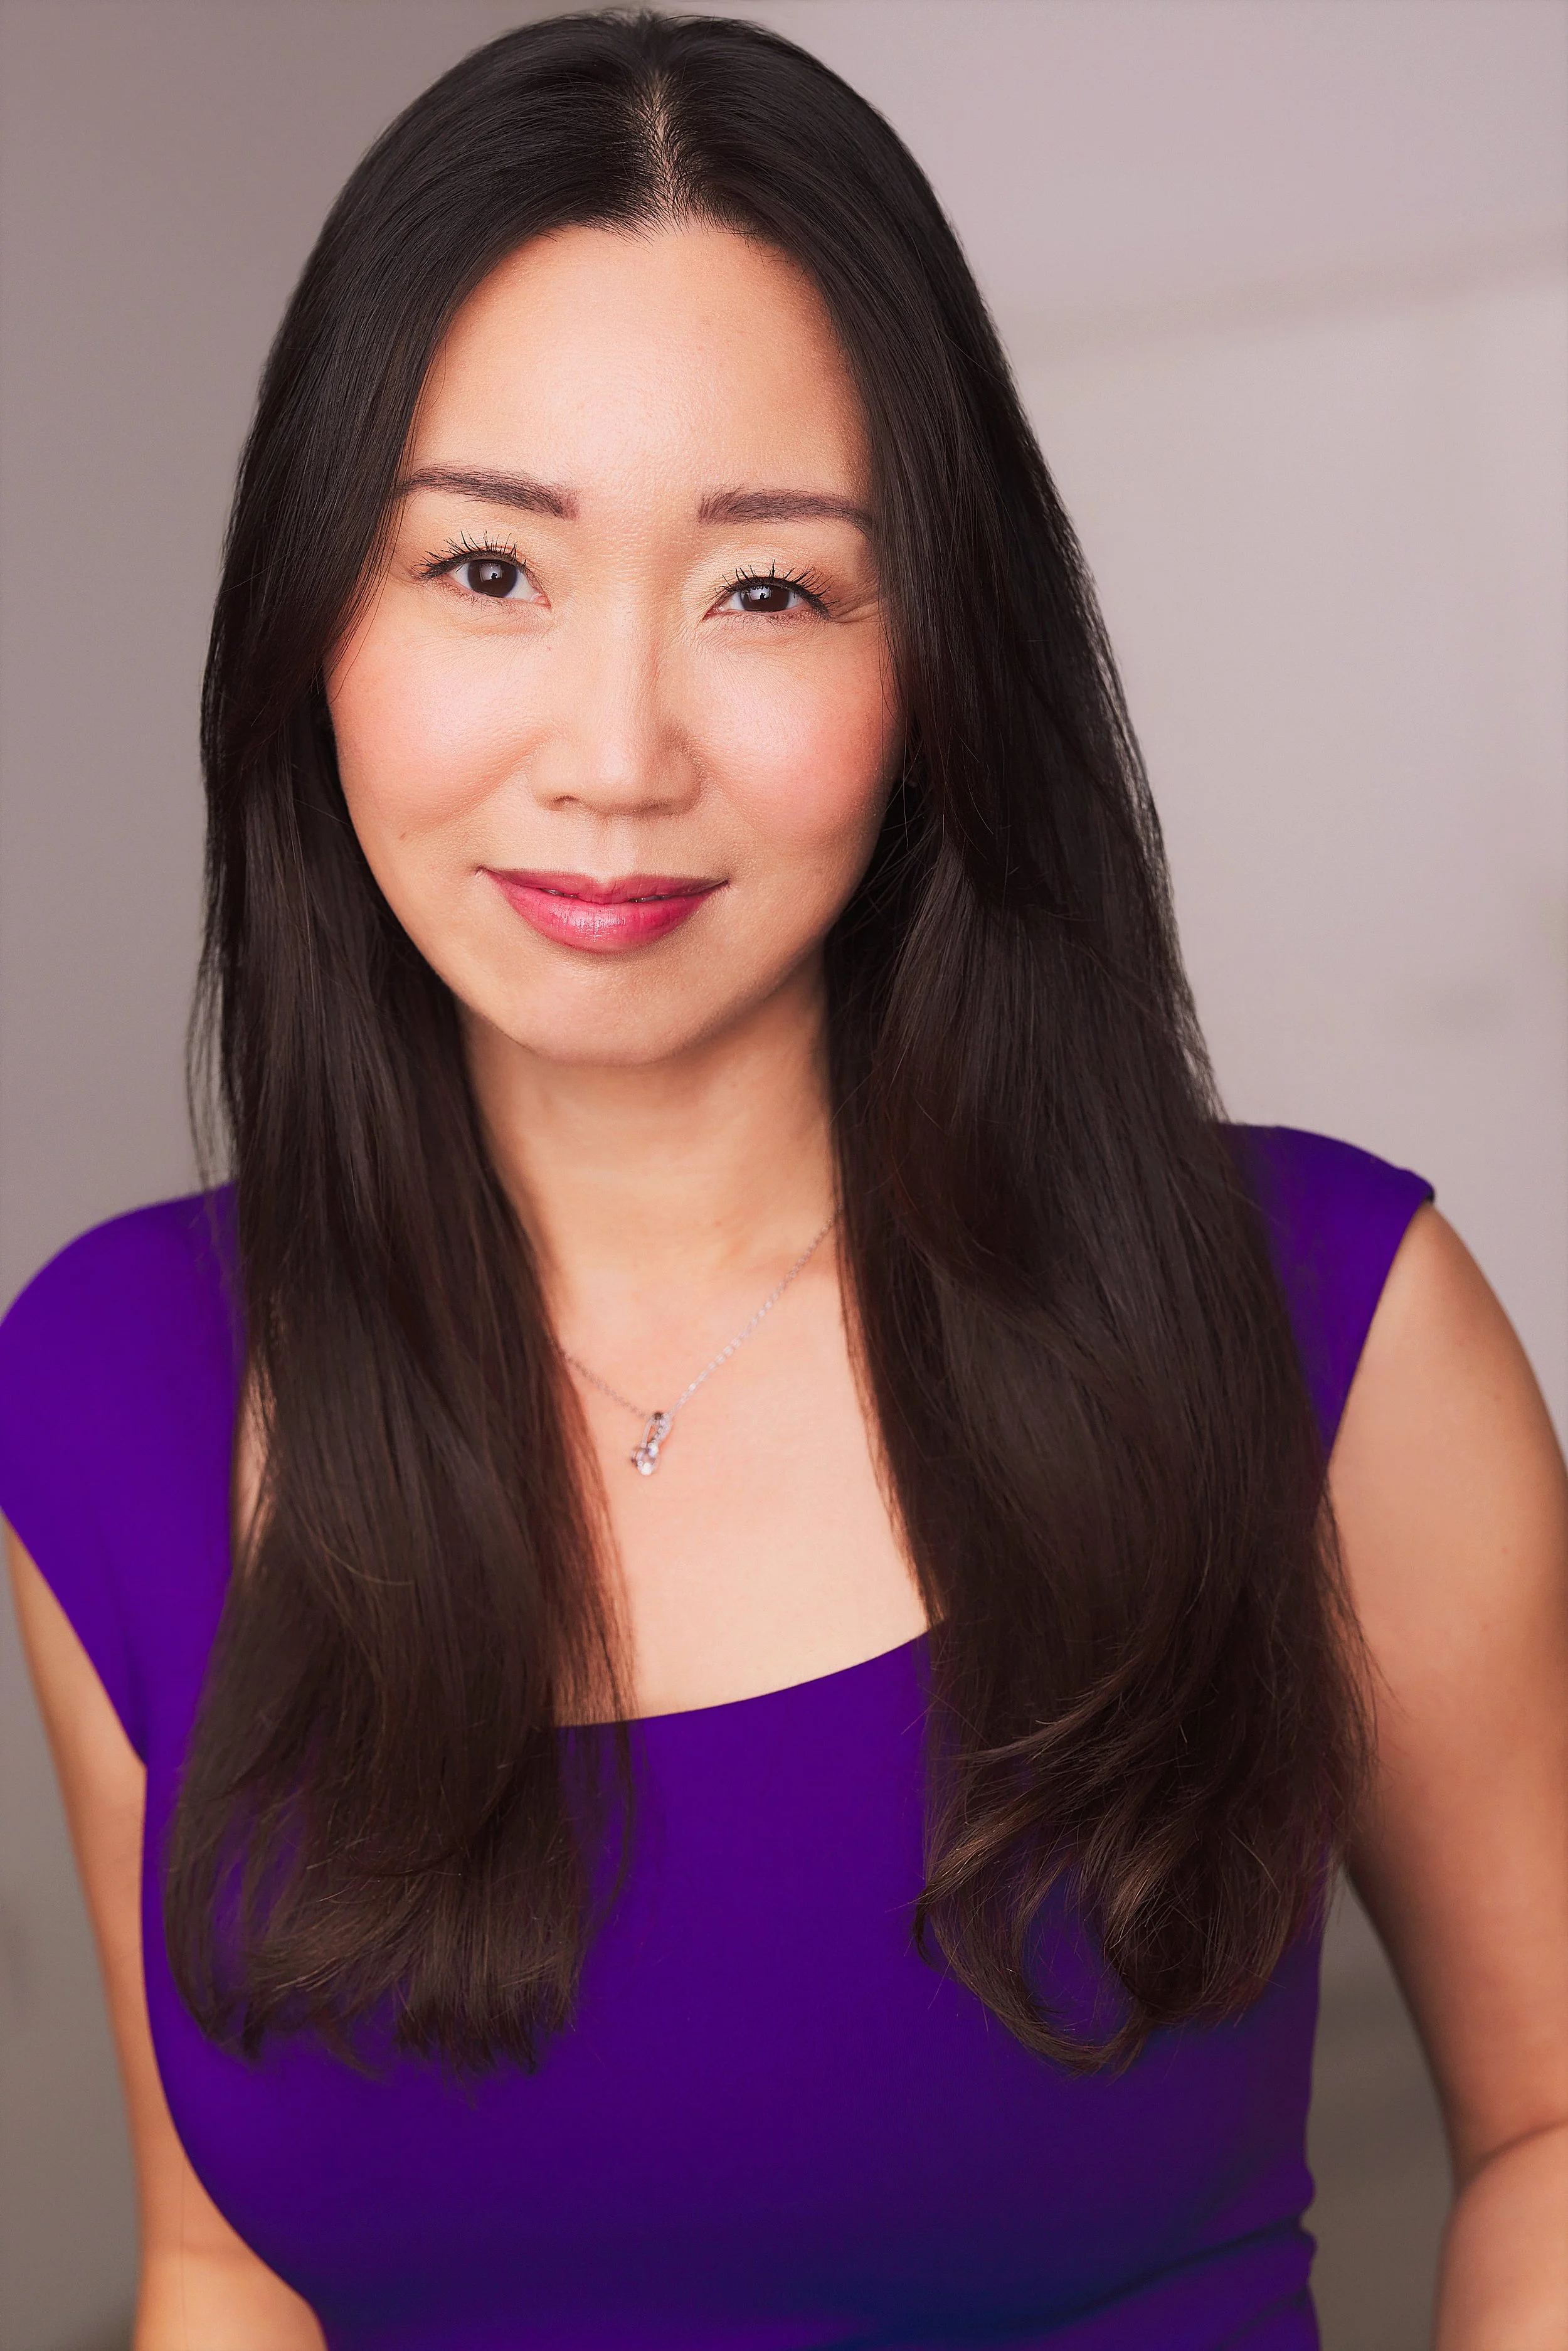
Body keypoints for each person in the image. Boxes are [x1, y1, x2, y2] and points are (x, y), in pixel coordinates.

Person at [3, 12, 1565, 2347]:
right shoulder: (106, 1391)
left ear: (937, 661)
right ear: (311, 618)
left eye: (767, 592)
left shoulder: (1321, 1327)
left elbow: (1549, 2120)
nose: (614, 757)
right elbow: (227, 2264)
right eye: (484, 570)